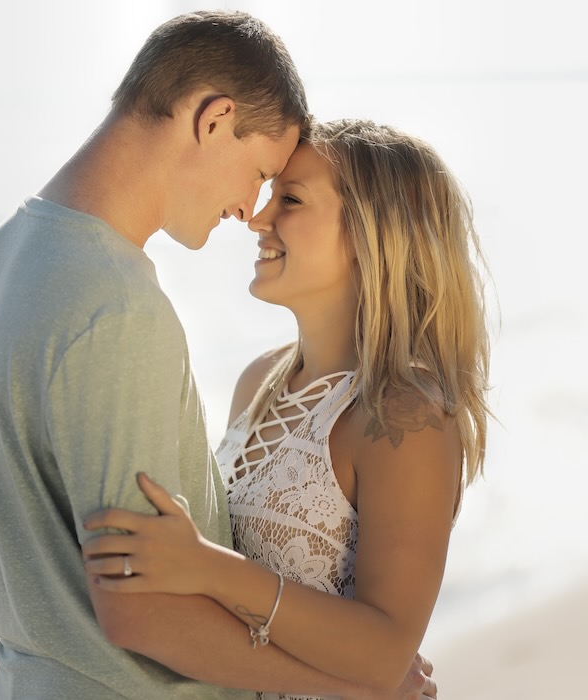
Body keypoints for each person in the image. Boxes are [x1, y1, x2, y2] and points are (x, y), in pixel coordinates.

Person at [0, 8, 435, 697]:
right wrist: (357, 687)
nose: (248, 210)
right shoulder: (115, 308)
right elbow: (142, 608)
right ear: (214, 119)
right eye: (260, 172)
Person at [83, 118, 491, 698]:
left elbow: (384, 653)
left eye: (291, 199)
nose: (257, 218)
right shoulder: (259, 382)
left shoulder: (406, 416)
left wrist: (206, 567)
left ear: (373, 233)